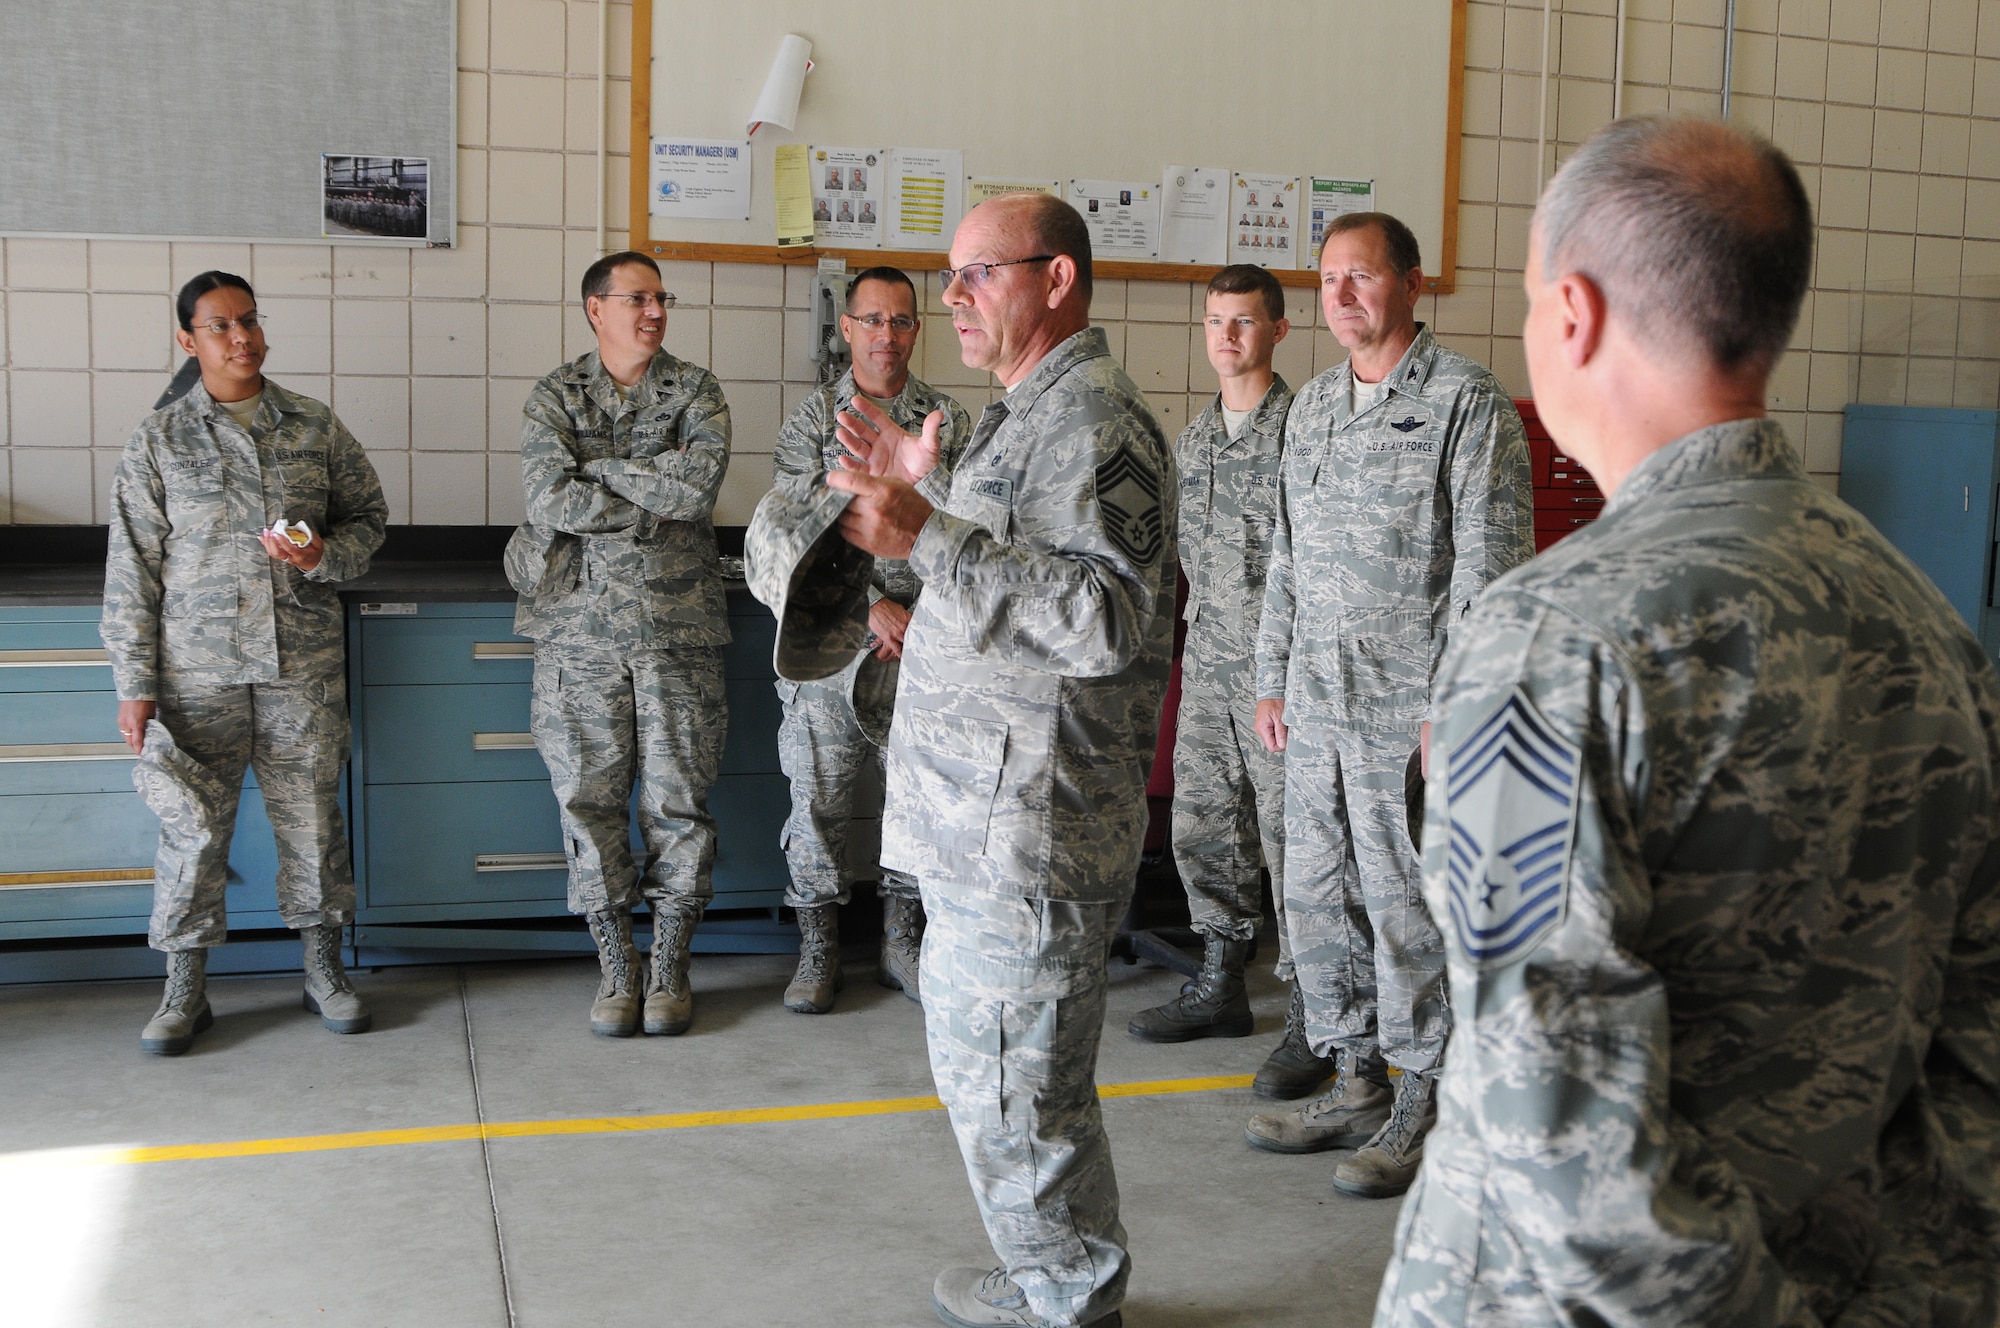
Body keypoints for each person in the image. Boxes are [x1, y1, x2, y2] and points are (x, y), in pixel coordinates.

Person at [1378, 115, 2000, 1328]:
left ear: (1572, 313)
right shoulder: (1927, 622)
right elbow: (1975, 1044)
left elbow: (1548, 1110)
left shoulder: (1548, 639)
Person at [829, 193, 1170, 1328]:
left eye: (978, 273)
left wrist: (925, 530)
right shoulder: (1021, 414)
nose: (952, 297)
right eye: (950, 275)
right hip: (984, 817)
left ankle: (1068, 1299)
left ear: (1057, 278)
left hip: (1034, 827)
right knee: (1006, 1081)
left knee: (1018, 1088)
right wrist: (922, 496)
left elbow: (1106, 614)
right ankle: (1053, 1273)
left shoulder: (1094, 423)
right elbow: (991, 586)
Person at [1245, 212, 1534, 1198]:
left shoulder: (1466, 402)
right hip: (1317, 703)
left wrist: (1452, 707)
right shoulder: (1315, 407)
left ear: (1411, 286)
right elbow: (1284, 557)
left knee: (1404, 905)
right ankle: (1353, 1075)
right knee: (1317, 895)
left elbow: (1491, 571)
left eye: (1361, 278)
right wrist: (1271, 675)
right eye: (1328, 280)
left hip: (1407, 709)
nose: (1341, 297)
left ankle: (1423, 1093)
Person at [103, 270, 388, 1056]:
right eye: (222, 326)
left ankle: (324, 969)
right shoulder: (160, 439)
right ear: (188, 341)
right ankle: (184, 987)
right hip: (198, 673)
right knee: (191, 830)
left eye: (251, 322)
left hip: (301, 664)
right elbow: (132, 569)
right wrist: (135, 685)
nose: (242, 339)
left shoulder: (313, 427)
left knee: (312, 823)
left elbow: (369, 519)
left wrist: (327, 555)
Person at [1125, 265, 1334, 1097]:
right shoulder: (1197, 441)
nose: (1227, 338)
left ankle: (1316, 1015)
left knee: (1295, 847)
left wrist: (1287, 673)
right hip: (1210, 669)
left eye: (1244, 322)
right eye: (1215, 322)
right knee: (1204, 834)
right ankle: (1220, 985)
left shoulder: (1305, 432)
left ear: (1278, 329)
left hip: (1281, 677)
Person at [511, 251, 731, 1039]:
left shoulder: (697, 390)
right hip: (577, 633)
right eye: (636, 299)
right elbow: (548, 497)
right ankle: (617, 963)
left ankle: (670, 964)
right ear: (594, 309)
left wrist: (598, 468)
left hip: (678, 635)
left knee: (678, 803)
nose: (654, 312)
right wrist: (646, 487)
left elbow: (696, 491)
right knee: (588, 801)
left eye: (661, 298)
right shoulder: (554, 395)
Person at [769, 266, 971, 1013]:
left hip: (924, 647)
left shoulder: (949, 420)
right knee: (816, 799)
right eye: (873, 320)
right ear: (846, 328)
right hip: (835, 645)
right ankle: (819, 948)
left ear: (918, 330)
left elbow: (974, 530)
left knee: (916, 803)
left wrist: (923, 619)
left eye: (902, 321)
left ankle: (901, 940)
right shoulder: (813, 419)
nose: (888, 336)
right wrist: (872, 606)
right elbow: (789, 532)